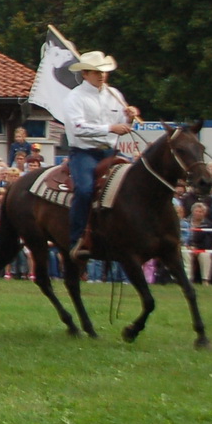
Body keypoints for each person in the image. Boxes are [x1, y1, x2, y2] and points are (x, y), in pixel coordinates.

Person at [62, 51, 139, 264]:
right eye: (96, 72)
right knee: (85, 190)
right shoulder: (75, 97)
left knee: (136, 184)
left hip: (111, 151)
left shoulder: (114, 94)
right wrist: (110, 127)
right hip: (84, 153)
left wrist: (129, 119)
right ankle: (76, 238)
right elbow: (77, 127)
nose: (101, 75)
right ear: (85, 73)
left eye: (104, 72)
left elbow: (123, 125)